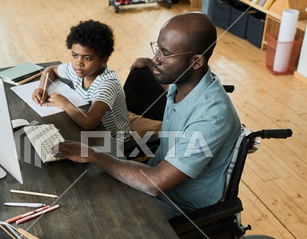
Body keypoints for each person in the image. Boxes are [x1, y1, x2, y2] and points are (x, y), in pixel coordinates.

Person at [51, 12, 241, 218]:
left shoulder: (211, 119)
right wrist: (150, 66)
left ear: (196, 61)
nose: (156, 58)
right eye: (157, 49)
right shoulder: (184, 81)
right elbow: (166, 71)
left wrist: (93, 155)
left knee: (90, 212)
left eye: (165, 53)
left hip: (176, 205)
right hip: (152, 177)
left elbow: (155, 183)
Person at [33, 20, 131, 139]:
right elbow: (50, 70)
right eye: (75, 55)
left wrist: (65, 104)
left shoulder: (108, 84)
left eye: (87, 58)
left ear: (103, 60)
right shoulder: (78, 70)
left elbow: (89, 122)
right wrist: (42, 87)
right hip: (93, 131)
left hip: (115, 142)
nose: (78, 63)